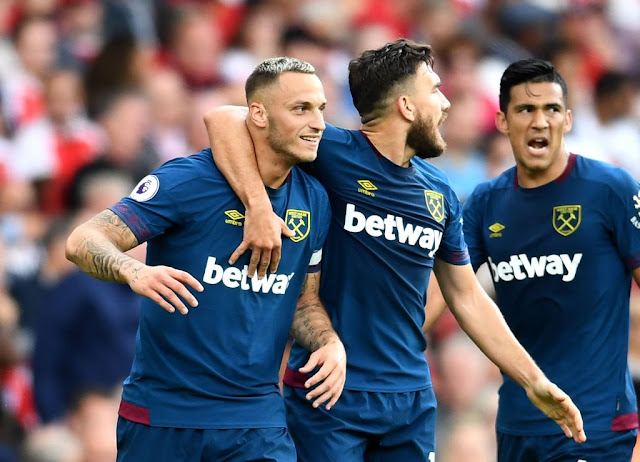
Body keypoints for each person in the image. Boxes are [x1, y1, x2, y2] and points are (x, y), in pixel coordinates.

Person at [203, 39, 585, 461]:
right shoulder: (331, 151)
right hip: (329, 392)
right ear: (406, 105)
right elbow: (223, 118)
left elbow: (465, 294)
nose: (445, 104)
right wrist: (258, 206)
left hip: (410, 400)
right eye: (435, 90)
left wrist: (533, 381)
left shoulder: (439, 191)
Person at [65, 57, 346, 462]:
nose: (319, 122)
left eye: (320, 108)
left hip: (257, 423)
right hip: (164, 417)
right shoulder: (189, 180)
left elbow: (303, 302)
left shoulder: (314, 200)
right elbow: (82, 240)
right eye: (301, 109)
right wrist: (134, 271)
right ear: (259, 115)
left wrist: (329, 342)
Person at [461, 59, 640, 461]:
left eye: (552, 109)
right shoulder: (485, 203)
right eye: (526, 109)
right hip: (517, 424)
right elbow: (447, 292)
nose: (540, 121)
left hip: (593, 425)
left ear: (569, 119)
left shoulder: (611, 189)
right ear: (503, 121)